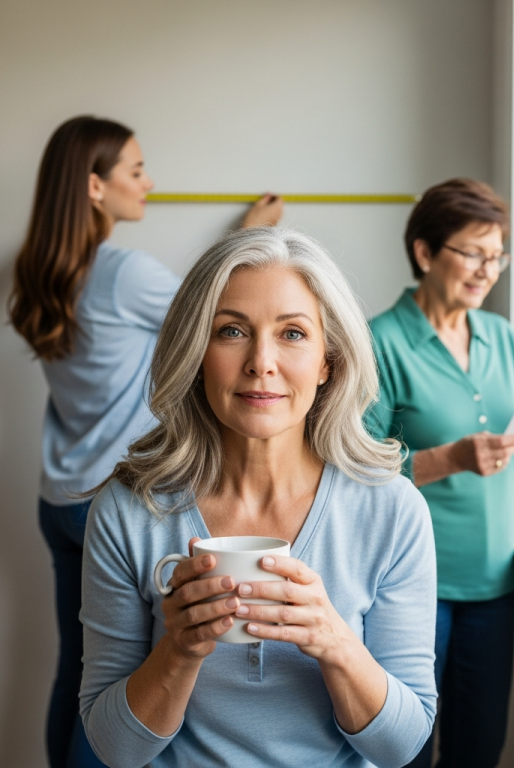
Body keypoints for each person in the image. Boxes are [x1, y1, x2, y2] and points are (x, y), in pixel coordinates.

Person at [78, 228, 437, 768]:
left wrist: (335, 642)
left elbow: (401, 747)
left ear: (327, 362)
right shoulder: (129, 511)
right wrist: (179, 649)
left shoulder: (394, 510)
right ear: (197, 353)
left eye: (292, 334)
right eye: (231, 331)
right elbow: (114, 748)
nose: (261, 362)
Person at [8, 115, 282, 768]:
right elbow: (209, 314)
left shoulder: (41, 270)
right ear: (95, 188)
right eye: (135, 170)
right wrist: (250, 238)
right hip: (115, 504)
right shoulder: (121, 272)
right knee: (122, 687)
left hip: (59, 497)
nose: (149, 181)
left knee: (78, 674)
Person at [366, 178, 514, 768]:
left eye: (497, 256)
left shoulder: (500, 335)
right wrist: (451, 457)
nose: (488, 270)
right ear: (425, 253)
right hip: (409, 587)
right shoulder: (378, 341)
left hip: (494, 585)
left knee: (479, 750)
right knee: (405, 753)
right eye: (473, 253)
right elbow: (354, 469)